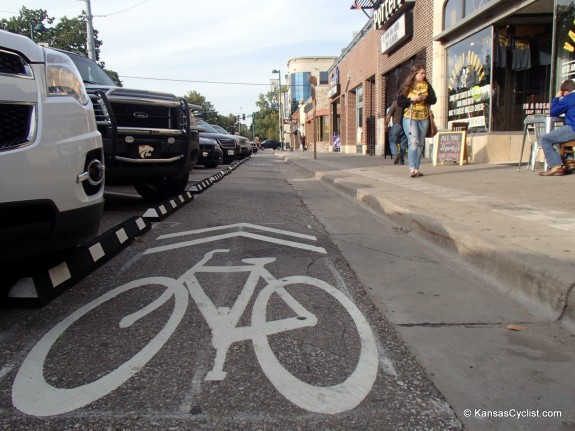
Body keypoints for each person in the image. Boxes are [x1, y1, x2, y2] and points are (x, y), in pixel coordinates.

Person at [397, 64, 437, 177]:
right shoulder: (406, 86)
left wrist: (426, 98)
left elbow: (434, 100)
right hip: (410, 118)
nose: (423, 75)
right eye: (421, 73)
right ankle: (411, 168)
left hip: (424, 118)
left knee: (420, 144)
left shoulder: (427, 85)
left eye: (424, 73)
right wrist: (412, 99)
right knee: (413, 142)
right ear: (415, 74)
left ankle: (416, 169)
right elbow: (399, 102)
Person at [538, 79, 575, 176]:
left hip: (573, 128)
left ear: (566, 92)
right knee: (561, 137)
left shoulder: (569, 98)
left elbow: (553, 112)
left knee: (545, 139)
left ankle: (556, 166)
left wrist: (557, 98)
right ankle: (570, 161)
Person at [385, 100, 408, 165]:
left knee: (392, 140)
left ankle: (396, 153)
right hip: (406, 125)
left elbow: (388, 115)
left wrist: (386, 125)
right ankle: (401, 161)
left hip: (397, 125)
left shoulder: (395, 103)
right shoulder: (408, 102)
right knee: (403, 144)